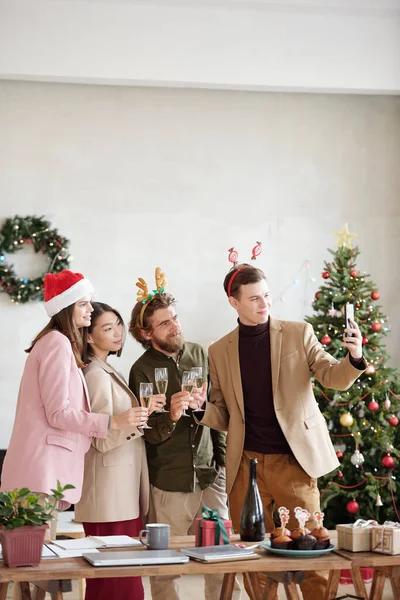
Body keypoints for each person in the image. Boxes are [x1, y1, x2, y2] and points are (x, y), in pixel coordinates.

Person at [194, 262, 367, 599]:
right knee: (253, 558)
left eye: (268, 296)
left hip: (294, 462)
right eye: (255, 298)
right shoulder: (218, 350)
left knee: (312, 549)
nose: (265, 304)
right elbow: (225, 414)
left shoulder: (298, 333)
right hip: (246, 468)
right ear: (234, 302)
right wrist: (200, 408)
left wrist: (355, 356)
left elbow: (332, 377)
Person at [128, 269, 239, 600]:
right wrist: (172, 416)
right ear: (147, 333)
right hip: (169, 481)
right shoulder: (141, 370)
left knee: (219, 557)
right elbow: (147, 433)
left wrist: (221, 464)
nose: (175, 326)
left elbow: (218, 410)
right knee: (166, 564)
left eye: (175, 318)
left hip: (209, 475)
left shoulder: (200, 354)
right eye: (165, 324)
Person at [1, 270, 140, 527]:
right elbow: (58, 413)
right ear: (66, 307)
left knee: (36, 555)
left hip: (43, 474)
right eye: (83, 303)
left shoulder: (57, 343)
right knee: (36, 559)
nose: (90, 309)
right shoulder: (57, 343)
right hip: (41, 473)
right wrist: (113, 423)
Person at [75, 302, 163, 600]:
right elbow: (100, 438)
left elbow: (118, 425)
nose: (118, 333)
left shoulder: (105, 369)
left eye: (118, 325)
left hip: (119, 492)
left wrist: (142, 414)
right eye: (107, 328)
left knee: (114, 579)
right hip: (110, 496)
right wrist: (135, 423)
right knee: (118, 580)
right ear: (88, 336)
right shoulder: (95, 375)